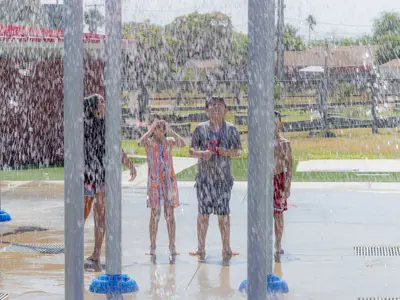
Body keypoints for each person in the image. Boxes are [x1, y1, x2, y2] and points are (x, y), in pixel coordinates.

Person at [83, 94, 137, 263]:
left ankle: (96, 254)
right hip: (91, 176)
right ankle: (92, 252)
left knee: (97, 214)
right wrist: (130, 165)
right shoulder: (89, 125)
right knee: (88, 214)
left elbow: (116, 148)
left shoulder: (93, 125)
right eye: (102, 102)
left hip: (97, 176)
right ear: (93, 108)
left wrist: (129, 164)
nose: (105, 104)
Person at [189, 96, 242, 262]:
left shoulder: (231, 129)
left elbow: (239, 151)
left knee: (223, 215)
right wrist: (201, 154)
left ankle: (226, 247)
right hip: (204, 179)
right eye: (212, 107)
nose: (215, 110)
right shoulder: (200, 129)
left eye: (219, 107)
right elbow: (191, 150)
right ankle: (200, 247)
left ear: (225, 110)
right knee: (203, 215)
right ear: (207, 110)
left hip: (223, 180)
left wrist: (227, 152)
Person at [138, 117, 186, 258]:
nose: (159, 131)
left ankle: (172, 245)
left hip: (168, 182)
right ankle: (152, 246)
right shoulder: (149, 143)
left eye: (161, 128)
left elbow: (183, 144)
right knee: (154, 215)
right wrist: (150, 130)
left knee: (169, 214)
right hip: (154, 183)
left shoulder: (168, 142)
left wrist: (171, 131)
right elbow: (139, 142)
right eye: (156, 128)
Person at [273, 110, 292, 258]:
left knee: (278, 214)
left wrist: (287, 185)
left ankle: (278, 243)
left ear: (280, 124)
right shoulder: (262, 142)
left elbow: (289, 166)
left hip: (278, 179)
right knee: (265, 214)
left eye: (274, 122)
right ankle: (266, 241)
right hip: (266, 181)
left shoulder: (285, 144)